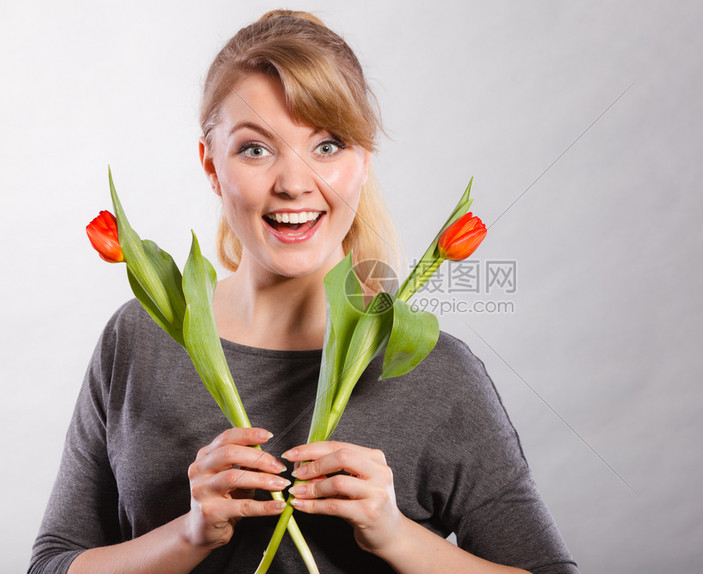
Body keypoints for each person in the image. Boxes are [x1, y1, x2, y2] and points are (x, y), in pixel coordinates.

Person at [29, 9, 577, 574]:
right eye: (256, 149)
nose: (294, 183)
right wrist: (189, 535)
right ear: (211, 165)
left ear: (363, 162)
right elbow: (50, 564)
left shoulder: (438, 373)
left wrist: (396, 536)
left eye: (328, 145)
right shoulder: (136, 341)